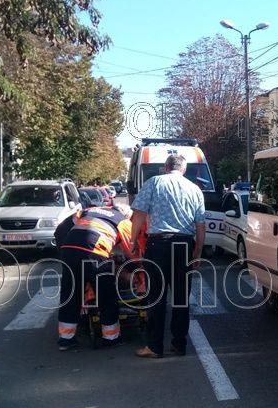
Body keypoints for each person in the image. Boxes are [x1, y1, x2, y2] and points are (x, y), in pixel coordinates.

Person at [131, 152, 205, 359]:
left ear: (165, 167)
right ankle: (179, 345)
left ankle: (154, 347)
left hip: (159, 245)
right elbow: (200, 225)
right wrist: (198, 251)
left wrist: (133, 239)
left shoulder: (154, 183)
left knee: (156, 297)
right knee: (181, 298)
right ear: (184, 169)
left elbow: (139, 215)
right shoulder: (195, 189)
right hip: (184, 245)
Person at [54, 204, 134, 351]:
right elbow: (131, 249)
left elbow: (60, 230)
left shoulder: (88, 211)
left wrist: (63, 250)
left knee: (71, 294)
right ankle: (111, 338)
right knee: (106, 294)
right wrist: (135, 268)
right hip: (94, 252)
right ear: (127, 215)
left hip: (68, 250)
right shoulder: (123, 220)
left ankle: (66, 340)